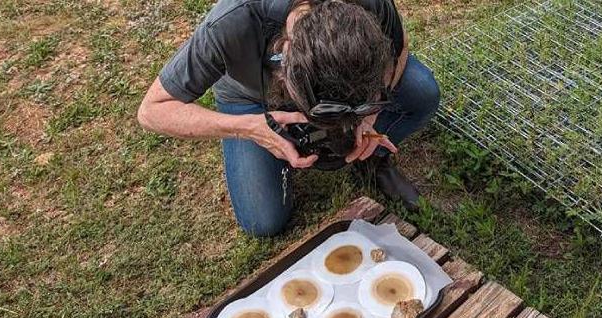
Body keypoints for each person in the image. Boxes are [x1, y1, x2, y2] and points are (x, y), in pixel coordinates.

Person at [138, 0, 440, 237]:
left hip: (348, 81)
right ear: (283, 62)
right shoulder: (232, 21)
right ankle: (279, 147)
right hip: (250, 99)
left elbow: (398, 49)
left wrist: (370, 114)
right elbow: (153, 110)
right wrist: (250, 129)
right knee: (263, 220)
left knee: (422, 93)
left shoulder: (367, 5)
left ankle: (371, 159)